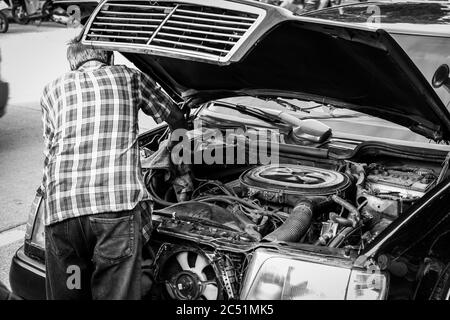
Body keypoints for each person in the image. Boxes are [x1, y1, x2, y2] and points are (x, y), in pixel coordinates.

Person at [40, 38, 186, 300]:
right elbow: (175, 116)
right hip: (112, 213)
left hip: (61, 216)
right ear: (109, 58)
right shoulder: (128, 77)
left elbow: (50, 154)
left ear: (73, 65)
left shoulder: (52, 89)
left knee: (72, 290)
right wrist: (180, 161)